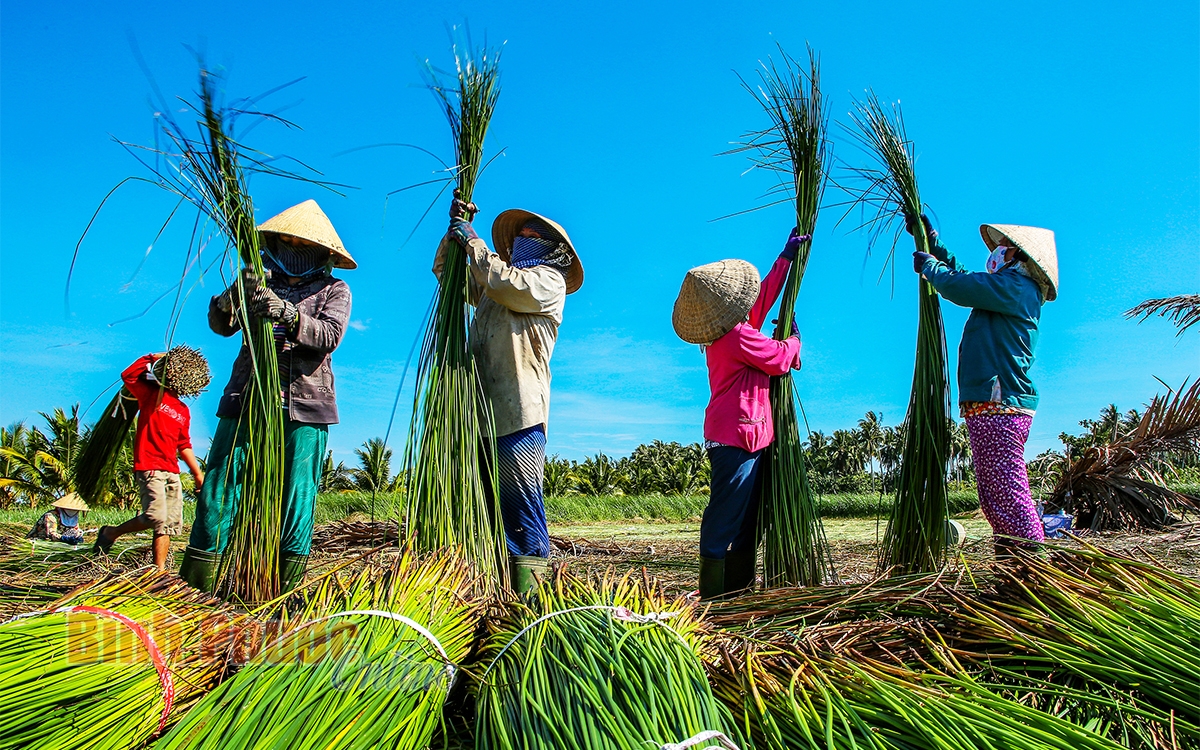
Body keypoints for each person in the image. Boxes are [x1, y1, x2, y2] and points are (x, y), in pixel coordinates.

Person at [180, 200, 355, 593]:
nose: (293, 246)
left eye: (302, 242)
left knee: (296, 495)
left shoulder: (334, 289)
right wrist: (231, 298)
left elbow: (328, 337)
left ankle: (282, 588)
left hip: (305, 404)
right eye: (286, 239)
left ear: (322, 251)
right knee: (220, 485)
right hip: (246, 397)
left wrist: (288, 314)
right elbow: (222, 326)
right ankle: (198, 586)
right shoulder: (258, 278)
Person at [435, 196, 583, 593]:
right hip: (479, 410)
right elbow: (447, 275)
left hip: (520, 411)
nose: (521, 239)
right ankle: (496, 594)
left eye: (531, 235)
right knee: (486, 507)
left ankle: (529, 602)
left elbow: (504, 283)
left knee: (521, 506)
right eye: (519, 234)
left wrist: (474, 243)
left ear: (553, 249)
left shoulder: (547, 283)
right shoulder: (490, 286)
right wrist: (454, 231)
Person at [910, 217, 1058, 554]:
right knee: (993, 493)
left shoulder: (1017, 289)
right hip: (990, 405)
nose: (998, 252)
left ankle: (1033, 565)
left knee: (1006, 488)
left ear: (1020, 258)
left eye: (1004, 248)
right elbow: (966, 277)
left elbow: (961, 286)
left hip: (1000, 401)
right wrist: (934, 242)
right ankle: (1010, 562)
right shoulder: (1006, 288)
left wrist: (932, 268)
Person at [672, 229, 806, 599]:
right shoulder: (738, 337)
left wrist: (785, 259)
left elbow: (760, 301)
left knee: (748, 519)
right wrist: (794, 340)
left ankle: (737, 591)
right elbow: (779, 359)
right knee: (727, 515)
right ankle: (714, 595)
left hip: (744, 435)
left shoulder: (729, 331)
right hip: (737, 437)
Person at [95, 350, 210, 571]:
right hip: (149, 466)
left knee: (168, 526)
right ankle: (111, 532)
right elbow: (128, 375)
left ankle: (159, 571)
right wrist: (153, 357)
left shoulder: (183, 410)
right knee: (155, 516)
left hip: (172, 471)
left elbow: (183, 444)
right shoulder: (151, 394)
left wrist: (197, 474)